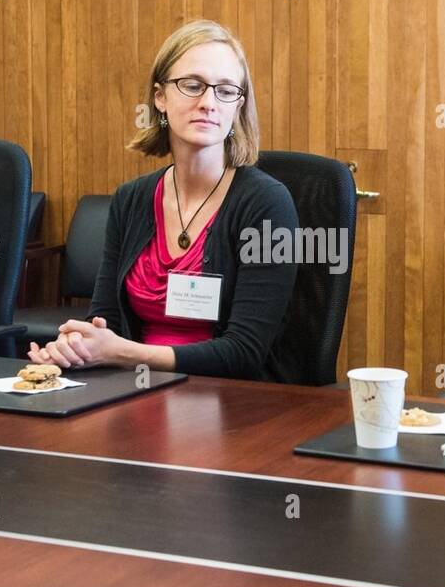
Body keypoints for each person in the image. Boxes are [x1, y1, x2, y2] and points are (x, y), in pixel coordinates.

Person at [30, 19, 298, 380]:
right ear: (160, 98)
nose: (208, 102)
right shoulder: (131, 199)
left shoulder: (267, 204)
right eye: (192, 85)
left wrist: (122, 352)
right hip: (132, 391)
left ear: (238, 106)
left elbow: (245, 352)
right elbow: (104, 321)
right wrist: (76, 348)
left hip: (231, 403)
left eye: (225, 90)